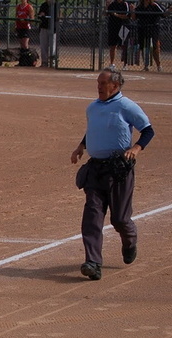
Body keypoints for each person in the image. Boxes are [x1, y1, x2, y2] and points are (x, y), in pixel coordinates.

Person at [70, 69, 154, 281]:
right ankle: (93, 262)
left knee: (119, 219)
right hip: (95, 169)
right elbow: (94, 130)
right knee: (92, 215)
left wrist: (136, 149)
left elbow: (148, 130)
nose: (98, 86)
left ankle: (130, 240)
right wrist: (81, 146)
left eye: (103, 83)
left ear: (115, 86)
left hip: (118, 170)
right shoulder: (93, 107)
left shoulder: (126, 106)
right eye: (98, 82)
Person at [133, 0, 166, 72]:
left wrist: (169, 9)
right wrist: (132, 10)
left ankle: (158, 65)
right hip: (142, 28)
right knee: (143, 47)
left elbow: (164, 14)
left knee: (154, 47)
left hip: (153, 28)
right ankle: (146, 65)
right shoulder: (140, 7)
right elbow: (134, 18)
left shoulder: (155, 5)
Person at [106, 0, 131, 68]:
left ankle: (125, 64)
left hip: (123, 26)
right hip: (113, 26)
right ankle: (112, 63)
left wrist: (116, 15)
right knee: (113, 45)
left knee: (124, 45)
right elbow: (106, 14)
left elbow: (127, 16)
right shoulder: (113, 4)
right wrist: (107, 5)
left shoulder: (125, 4)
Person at [37, 0, 58, 67]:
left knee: (53, 46)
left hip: (53, 29)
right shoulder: (44, 5)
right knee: (43, 45)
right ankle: (44, 62)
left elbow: (57, 16)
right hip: (44, 27)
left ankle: (53, 62)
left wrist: (47, 16)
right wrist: (42, 15)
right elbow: (40, 15)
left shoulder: (56, 5)